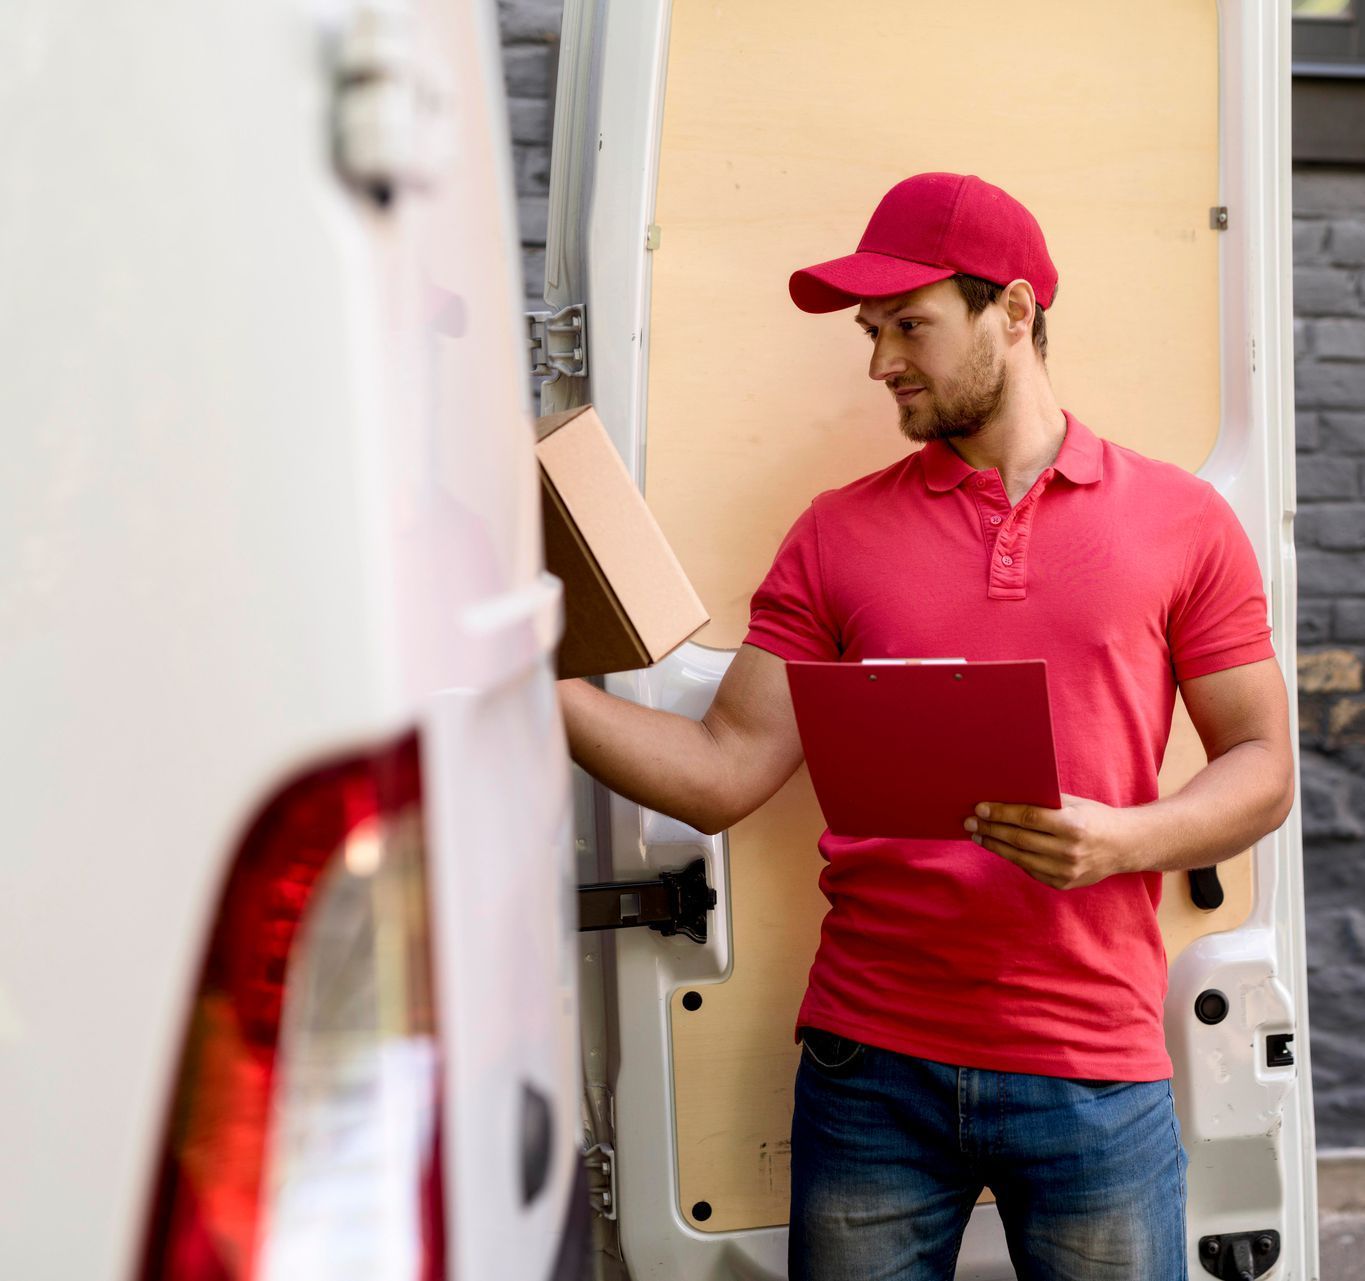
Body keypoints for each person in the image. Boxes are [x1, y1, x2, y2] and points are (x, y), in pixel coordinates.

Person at [557, 172, 1295, 1280]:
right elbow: (721, 771)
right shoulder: (837, 533)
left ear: (1014, 310)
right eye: (871, 332)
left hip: (1094, 1066)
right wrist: (533, 681)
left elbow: (1263, 763)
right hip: (871, 1069)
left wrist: (1124, 840)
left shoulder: (1184, 524)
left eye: (910, 325)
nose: (881, 362)